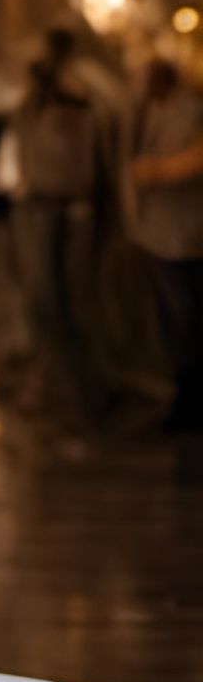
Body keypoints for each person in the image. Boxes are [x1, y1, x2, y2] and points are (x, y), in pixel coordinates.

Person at [0, 28, 113, 418]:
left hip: (70, 207)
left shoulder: (79, 91)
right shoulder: (36, 99)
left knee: (71, 302)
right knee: (41, 300)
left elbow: (86, 126)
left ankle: (82, 390)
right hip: (37, 204)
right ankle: (56, 383)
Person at [128, 55, 203, 431]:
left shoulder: (192, 111)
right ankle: (181, 396)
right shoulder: (153, 111)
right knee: (174, 324)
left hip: (186, 235)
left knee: (187, 322)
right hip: (160, 234)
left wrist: (156, 172)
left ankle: (188, 403)